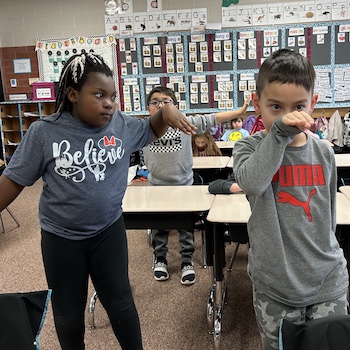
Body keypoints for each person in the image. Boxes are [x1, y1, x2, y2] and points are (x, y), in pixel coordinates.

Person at [0, 53, 196, 350]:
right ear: (73, 94)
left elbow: (151, 128)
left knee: (121, 305)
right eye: (99, 95)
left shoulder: (120, 125)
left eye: (113, 96)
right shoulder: (45, 132)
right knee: (68, 314)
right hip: (61, 238)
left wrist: (165, 112)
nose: (109, 103)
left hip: (108, 232)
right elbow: (12, 182)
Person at [232, 49, 349, 350]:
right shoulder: (247, 148)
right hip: (277, 286)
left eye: (298, 106)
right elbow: (253, 182)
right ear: (257, 105)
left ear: (313, 104)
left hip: (327, 280)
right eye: (276, 107)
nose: (288, 116)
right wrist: (278, 135)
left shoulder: (323, 152)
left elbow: (328, 215)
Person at [143, 86, 249, 285]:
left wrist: (240, 112)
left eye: (166, 102)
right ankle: (160, 258)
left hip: (184, 185)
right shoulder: (143, 128)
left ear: (176, 107)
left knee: (186, 227)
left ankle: (186, 261)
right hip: (155, 187)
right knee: (158, 225)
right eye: (155, 102)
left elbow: (213, 118)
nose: (161, 106)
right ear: (148, 108)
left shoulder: (185, 124)